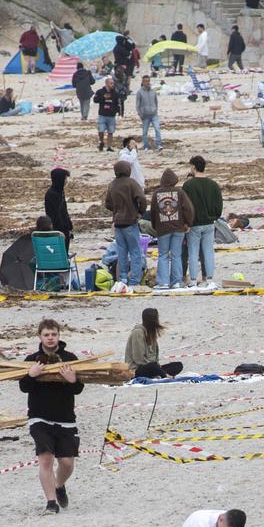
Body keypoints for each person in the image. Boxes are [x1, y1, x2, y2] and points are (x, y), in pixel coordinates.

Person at [18, 318, 83, 512]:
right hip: (39, 417)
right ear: (40, 337)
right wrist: (31, 374)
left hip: (65, 418)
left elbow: (78, 389)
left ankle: (59, 485)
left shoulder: (70, 358)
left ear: (59, 336)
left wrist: (72, 380)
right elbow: (23, 387)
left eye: (54, 334)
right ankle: (51, 503)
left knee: (67, 463)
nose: (50, 338)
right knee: (46, 459)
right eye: (46, 335)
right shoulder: (32, 360)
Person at [148, 168, 194, 291]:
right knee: (176, 255)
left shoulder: (157, 194)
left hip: (163, 229)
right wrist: (188, 223)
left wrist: (155, 226)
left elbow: (153, 212)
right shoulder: (179, 192)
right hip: (178, 229)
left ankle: (163, 282)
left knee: (163, 255)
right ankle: (176, 282)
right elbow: (188, 209)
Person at [101, 159, 144, 289]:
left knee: (122, 252)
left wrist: (116, 210)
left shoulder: (112, 185)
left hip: (118, 222)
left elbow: (107, 203)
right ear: (128, 170)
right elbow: (141, 198)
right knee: (135, 251)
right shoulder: (132, 183)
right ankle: (135, 280)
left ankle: (123, 278)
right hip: (131, 222)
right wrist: (139, 211)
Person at [182, 156, 221, 288]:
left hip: (194, 224)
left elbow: (184, 206)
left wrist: (186, 222)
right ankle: (209, 279)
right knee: (208, 251)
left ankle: (193, 280)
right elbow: (218, 204)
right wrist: (215, 216)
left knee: (193, 252)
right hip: (209, 222)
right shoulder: (213, 184)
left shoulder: (188, 185)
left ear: (193, 167)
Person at [125, 307, 183, 379]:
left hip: (152, 367)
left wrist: (158, 368)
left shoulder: (151, 332)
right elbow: (139, 359)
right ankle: (164, 375)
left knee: (178, 365)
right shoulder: (138, 332)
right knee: (153, 366)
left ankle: (159, 374)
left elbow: (155, 357)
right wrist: (155, 367)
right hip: (136, 370)